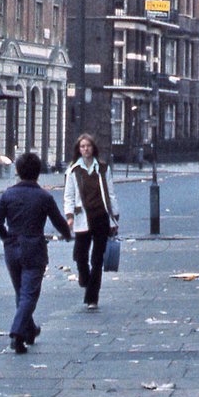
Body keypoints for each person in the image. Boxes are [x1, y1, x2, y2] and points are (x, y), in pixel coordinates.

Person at [0, 151, 72, 354]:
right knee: (29, 293)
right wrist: (67, 234)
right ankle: (17, 333)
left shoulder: (7, 194)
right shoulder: (43, 196)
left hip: (12, 248)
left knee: (21, 291)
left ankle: (29, 330)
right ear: (38, 173)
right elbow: (58, 221)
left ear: (17, 171)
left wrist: (7, 238)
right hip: (34, 247)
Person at [63, 132, 120, 310]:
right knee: (80, 255)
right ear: (78, 150)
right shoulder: (73, 170)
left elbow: (110, 194)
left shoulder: (103, 168)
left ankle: (92, 297)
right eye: (82, 147)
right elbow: (69, 196)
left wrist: (115, 217)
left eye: (88, 146)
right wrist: (70, 216)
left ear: (93, 148)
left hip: (101, 217)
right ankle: (84, 277)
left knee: (97, 259)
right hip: (82, 219)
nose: (85, 149)